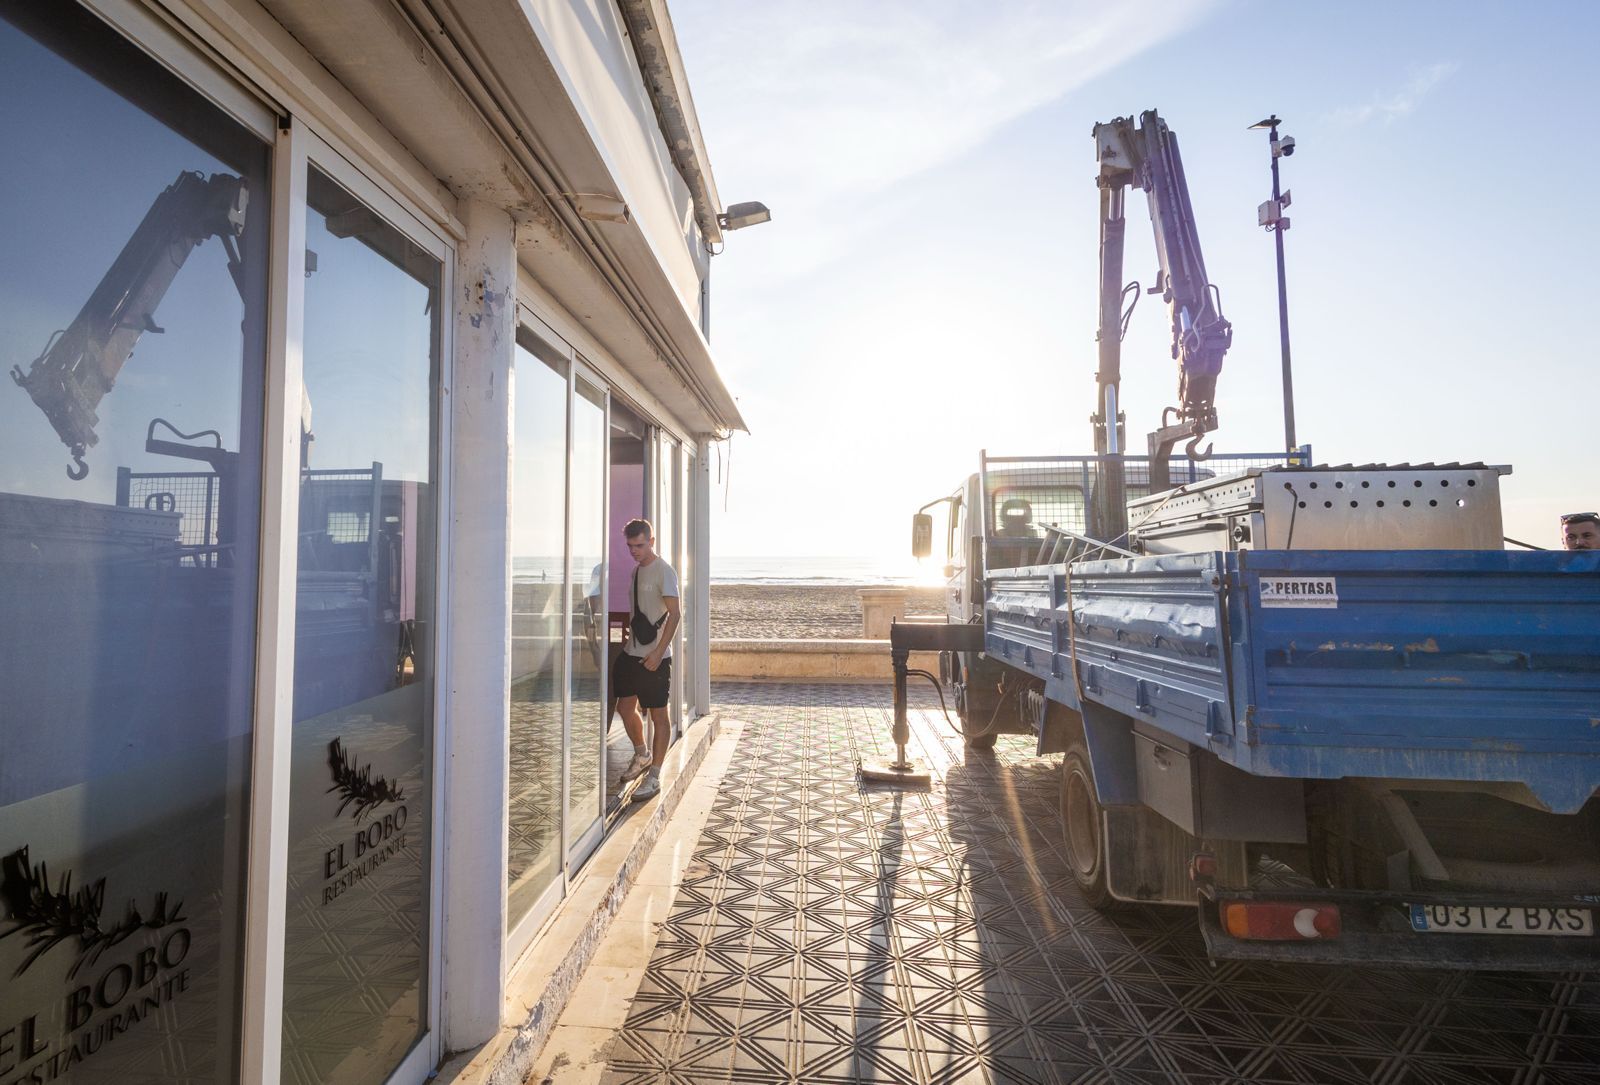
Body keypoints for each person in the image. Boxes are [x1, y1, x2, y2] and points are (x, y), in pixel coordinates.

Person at [614, 518, 680, 802]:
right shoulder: (635, 571)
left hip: (656, 658)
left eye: (639, 545)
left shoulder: (664, 571)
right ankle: (642, 754)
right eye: (630, 546)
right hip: (632, 653)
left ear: (651, 542)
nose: (634, 551)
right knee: (624, 707)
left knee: (659, 716)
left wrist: (658, 652)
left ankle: (654, 775)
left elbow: (675, 614)